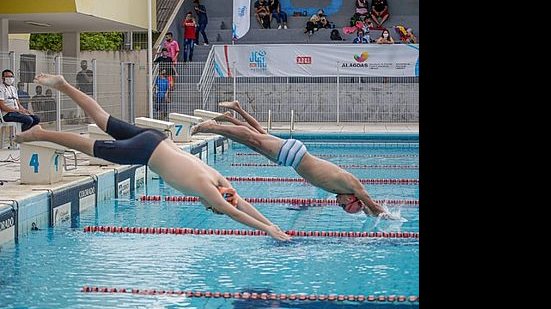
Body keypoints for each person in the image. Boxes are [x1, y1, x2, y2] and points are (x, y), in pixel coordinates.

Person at [15, 73, 290, 242]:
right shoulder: (207, 189)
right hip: (146, 151)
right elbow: (233, 210)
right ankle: (41, 133)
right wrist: (265, 229)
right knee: (90, 146)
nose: (209, 208)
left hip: (157, 138)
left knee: (101, 118)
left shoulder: (218, 178)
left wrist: (270, 222)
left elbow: (238, 201)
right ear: (214, 201)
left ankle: (63, 85)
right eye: (211, 207)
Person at [191, 101, 399, 219]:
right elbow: (372, 203)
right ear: (352, 199)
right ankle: (209, 126)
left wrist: (371, 215)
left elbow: (369, 208)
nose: (340, 205)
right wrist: (388, 216)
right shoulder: (352, 185)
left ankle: (232, 114)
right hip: (294, 154)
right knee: (252, 137)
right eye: (344, 207)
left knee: (254, 137)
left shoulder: (343, 191)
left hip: (289, 159)